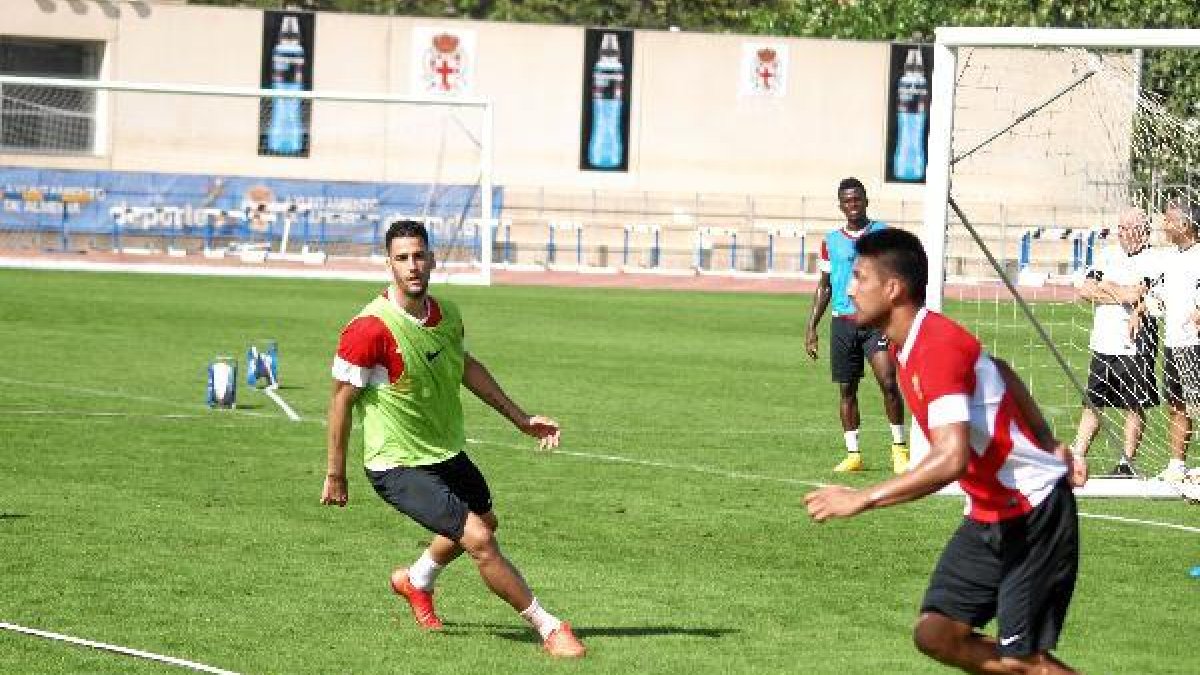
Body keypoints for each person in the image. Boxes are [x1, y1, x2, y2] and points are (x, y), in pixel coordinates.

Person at [805, 228, 1084, 674]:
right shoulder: (908, 343)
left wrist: (863, 497)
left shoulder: (935, 346)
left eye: (858, 278)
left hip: (1033, 511)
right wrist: (1048, 440)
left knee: (1025, 661)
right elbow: (1003, 372)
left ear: (893, 289)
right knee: (936, 634)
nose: (849, 289)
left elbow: (951, 460)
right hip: (991, 512)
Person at [320, 219, 586, 658]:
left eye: (419, 255)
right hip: (395, 462)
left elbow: (464, 367)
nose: (413, 266)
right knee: (479, 538)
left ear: (433, 259)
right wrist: (335, 473)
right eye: (402, 258)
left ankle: (415, 580)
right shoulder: (368, 330)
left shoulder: (448, 315)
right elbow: (339, 403)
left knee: (486, 522)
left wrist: (520, 419)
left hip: (443, 451)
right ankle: (550, 627)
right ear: (388, 263)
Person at [806, 177, 908, 474]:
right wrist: (811, 327)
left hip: (876, 321)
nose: (853, 205)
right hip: (843, 323)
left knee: (888, 382)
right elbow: (824, 286)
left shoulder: (882, 233)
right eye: (847, 201)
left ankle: (899, 451)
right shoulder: (831, 241)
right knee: (847, 390)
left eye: (857, 199)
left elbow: (896, 276)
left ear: (866, 200)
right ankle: (854, 454)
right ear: (841, 205)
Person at [1070, 207, 1160, 477]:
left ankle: (1127, 463)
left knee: (1135, 404)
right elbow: (1085, 289)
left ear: (1141, 230)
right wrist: (1119, 293)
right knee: (1093, 402)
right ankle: (1076, 456)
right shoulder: (1107, 255)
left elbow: (1139, 295)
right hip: (1103, 341)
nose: (1120, 232)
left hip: (1136, 342)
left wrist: (1110, 286)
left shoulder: (1154, 259)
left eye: (1125, 227)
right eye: (1119, 227)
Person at [1147, 198, 1200, 482]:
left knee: (1198, 403)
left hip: (1195, 343)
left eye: (1169, 220)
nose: (1164, 225)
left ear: (1185, 224)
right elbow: (1160, 291)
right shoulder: (1170, 258)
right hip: (1173, 341)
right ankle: (1177, 465)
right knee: (1175, 403)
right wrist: (1151, 302)